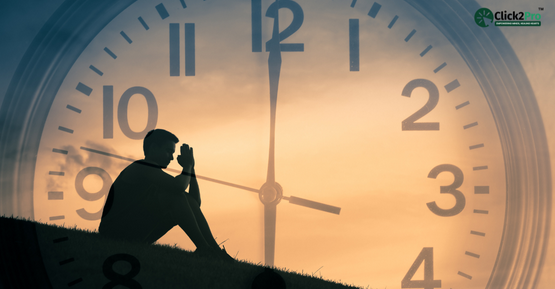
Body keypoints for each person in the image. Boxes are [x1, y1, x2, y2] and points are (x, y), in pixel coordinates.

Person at [99, 129, 232, 261]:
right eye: (168, 151)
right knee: (176, 196)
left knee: (180, 201)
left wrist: (191, 169)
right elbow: (178, 187)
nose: (172, 157)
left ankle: (214, 250)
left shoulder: (156, 175)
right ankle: (205, 249)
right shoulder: (143, 166)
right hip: (114, 232)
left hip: (131, 230)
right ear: (154, 148)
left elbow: (194, 203)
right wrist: (187, 166)